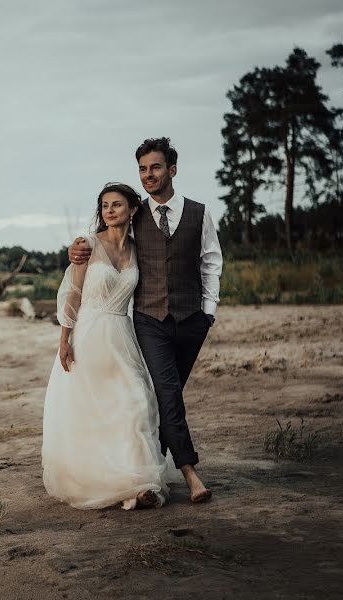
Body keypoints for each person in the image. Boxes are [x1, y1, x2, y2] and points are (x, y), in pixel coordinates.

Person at [68, 137, 222, 504]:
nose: (148, 174)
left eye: (154, 167)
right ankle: (190, 473)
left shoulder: (200, 213)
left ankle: (142, 472)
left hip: (192, 321)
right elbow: (102, 239)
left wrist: (209, 313)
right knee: (166, 395)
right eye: (142, 169)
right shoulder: (133, 218)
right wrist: (76, 248)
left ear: (172, 169)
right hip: (148, 321)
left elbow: (211, 262)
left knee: (165, 399)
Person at [42, 182, 177, 511]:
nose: (110, 210)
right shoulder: (87, 246)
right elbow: (71, 294)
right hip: (88, 338)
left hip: (122, 336)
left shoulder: (137, 249)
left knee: (135, 404)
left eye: (117, 204)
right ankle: (107, 479)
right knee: (93, 412)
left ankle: (139, 483)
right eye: (104, 205)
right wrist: (64, 340)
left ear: (133, 209)